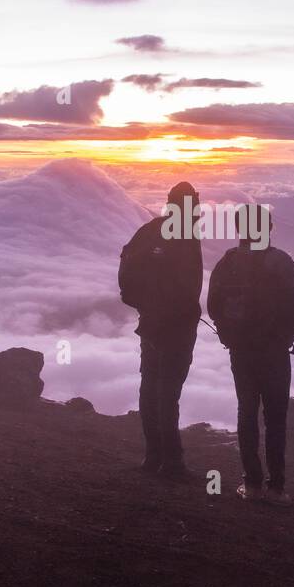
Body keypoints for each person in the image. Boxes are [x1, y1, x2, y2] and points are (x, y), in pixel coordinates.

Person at [207, 205, 294, 505]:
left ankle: (251, 485)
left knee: (246, 412)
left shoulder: (228, 263)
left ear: (240, 229)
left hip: (240, 352)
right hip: (275, 353)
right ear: (267, 229)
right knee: (276, 418)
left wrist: (230, 332)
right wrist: (286, 335)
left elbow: (213, 306)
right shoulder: (281, 263)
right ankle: (276, 488)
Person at [118, 182, 203, 479]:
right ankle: (173, 462)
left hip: (150, 324)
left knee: (149, 386)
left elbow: (129, 273)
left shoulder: (150, 230)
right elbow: (189, 287)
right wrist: (189, 312)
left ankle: (152, 456)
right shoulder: (186, 236)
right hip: (176, 328)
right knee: (168, 392)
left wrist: (147, 306)